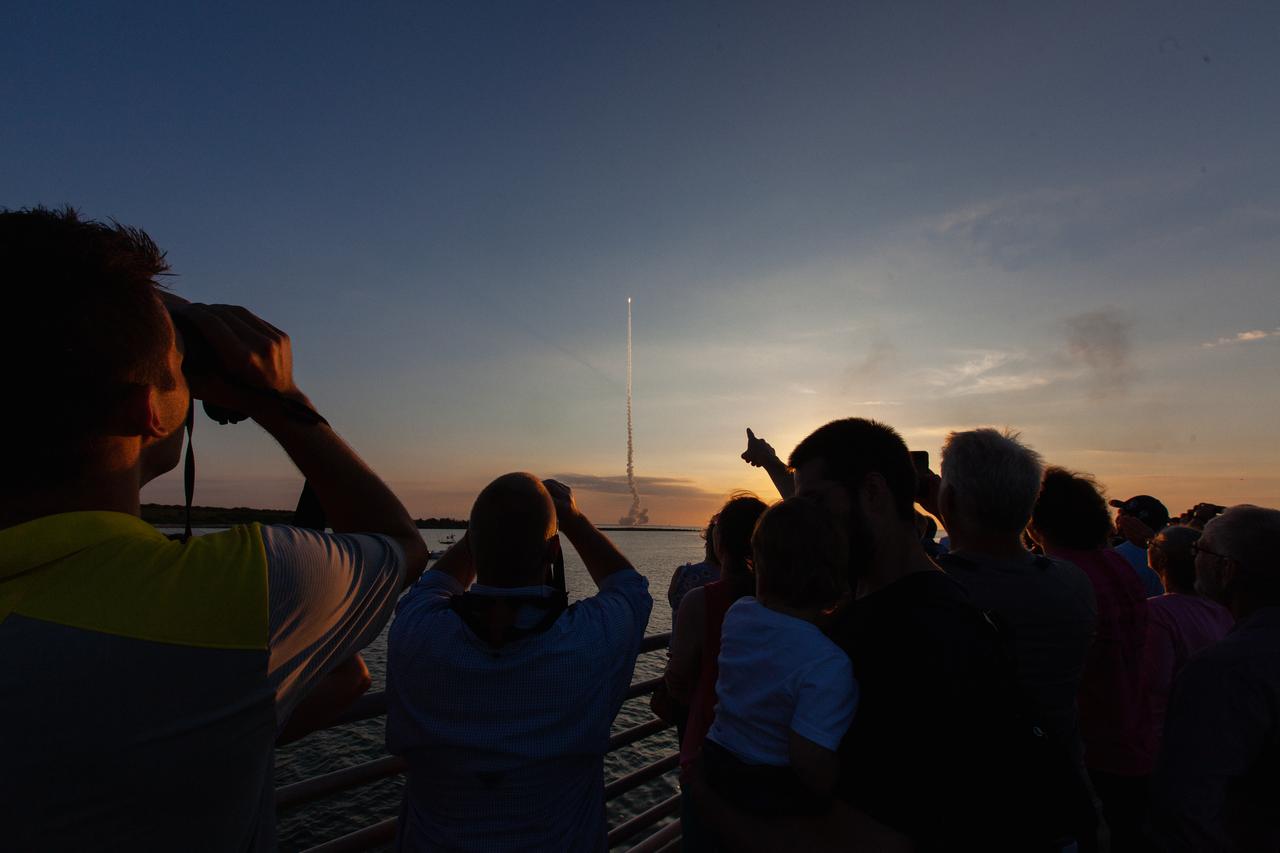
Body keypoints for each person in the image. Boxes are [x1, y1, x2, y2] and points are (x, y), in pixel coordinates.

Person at [0, 206, 429, 851]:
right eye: (178, 367)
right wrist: (280, 401)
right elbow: (401, 545)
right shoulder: (232, 594)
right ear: (148, 410)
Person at [696, 418, 1060, 852]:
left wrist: (705, 796)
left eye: (814, 501)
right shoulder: (883, 611)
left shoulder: (924, 638)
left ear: (872, 492)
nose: (803, 521)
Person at [385, 474, 651, 853]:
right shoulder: (588, 641)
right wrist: (572, 517)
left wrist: (485, 529)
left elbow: (433, 586)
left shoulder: (415, 629)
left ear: (474, 545)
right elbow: (630, 589)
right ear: (553, 552)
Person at [934, 428, 1102, 848]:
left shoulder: (938, 592)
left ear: (948, 501)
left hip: (974, 813)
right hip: (1061, 801)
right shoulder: (1072, 584)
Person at [703, 496, 855, 817]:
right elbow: (809, 762)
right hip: (767, 787)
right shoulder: (829, 664)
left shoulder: (738, 614)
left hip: (715, 761)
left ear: (756, 565)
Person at [1030, 468, 1154, 851]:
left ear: (1036, 522)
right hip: (1132, 742)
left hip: (1089, 757)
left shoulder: (1060, 579)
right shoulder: (1117, 566)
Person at [1150, 505, 1280, 852]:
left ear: (1226, 570)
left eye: (1200, 550)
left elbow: (1188, 807)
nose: (1193, 558)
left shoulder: (1222, 670)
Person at [1143, 525, 1234, 744]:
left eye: (1151, 545)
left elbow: (1154, 686)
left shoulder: (1156, 613)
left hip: (1168, 737)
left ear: (1162, 559)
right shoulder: (1224, 610)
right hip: (1214, 731)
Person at [1110, 494, 1170, 597]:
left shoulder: (1116, 556)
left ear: (1132, 522)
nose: (1117, 519)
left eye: (1122, 514)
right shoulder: (1178, 554)